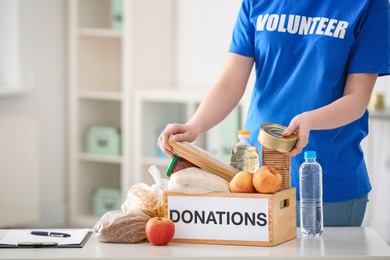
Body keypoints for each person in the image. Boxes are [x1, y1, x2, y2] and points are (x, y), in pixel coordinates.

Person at [158, 0, 390, 226]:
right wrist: (194, 126)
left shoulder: (369, 4)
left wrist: (309, 120)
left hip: (327, 183)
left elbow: (357, 99)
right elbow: (230, 84)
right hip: (257, 179)